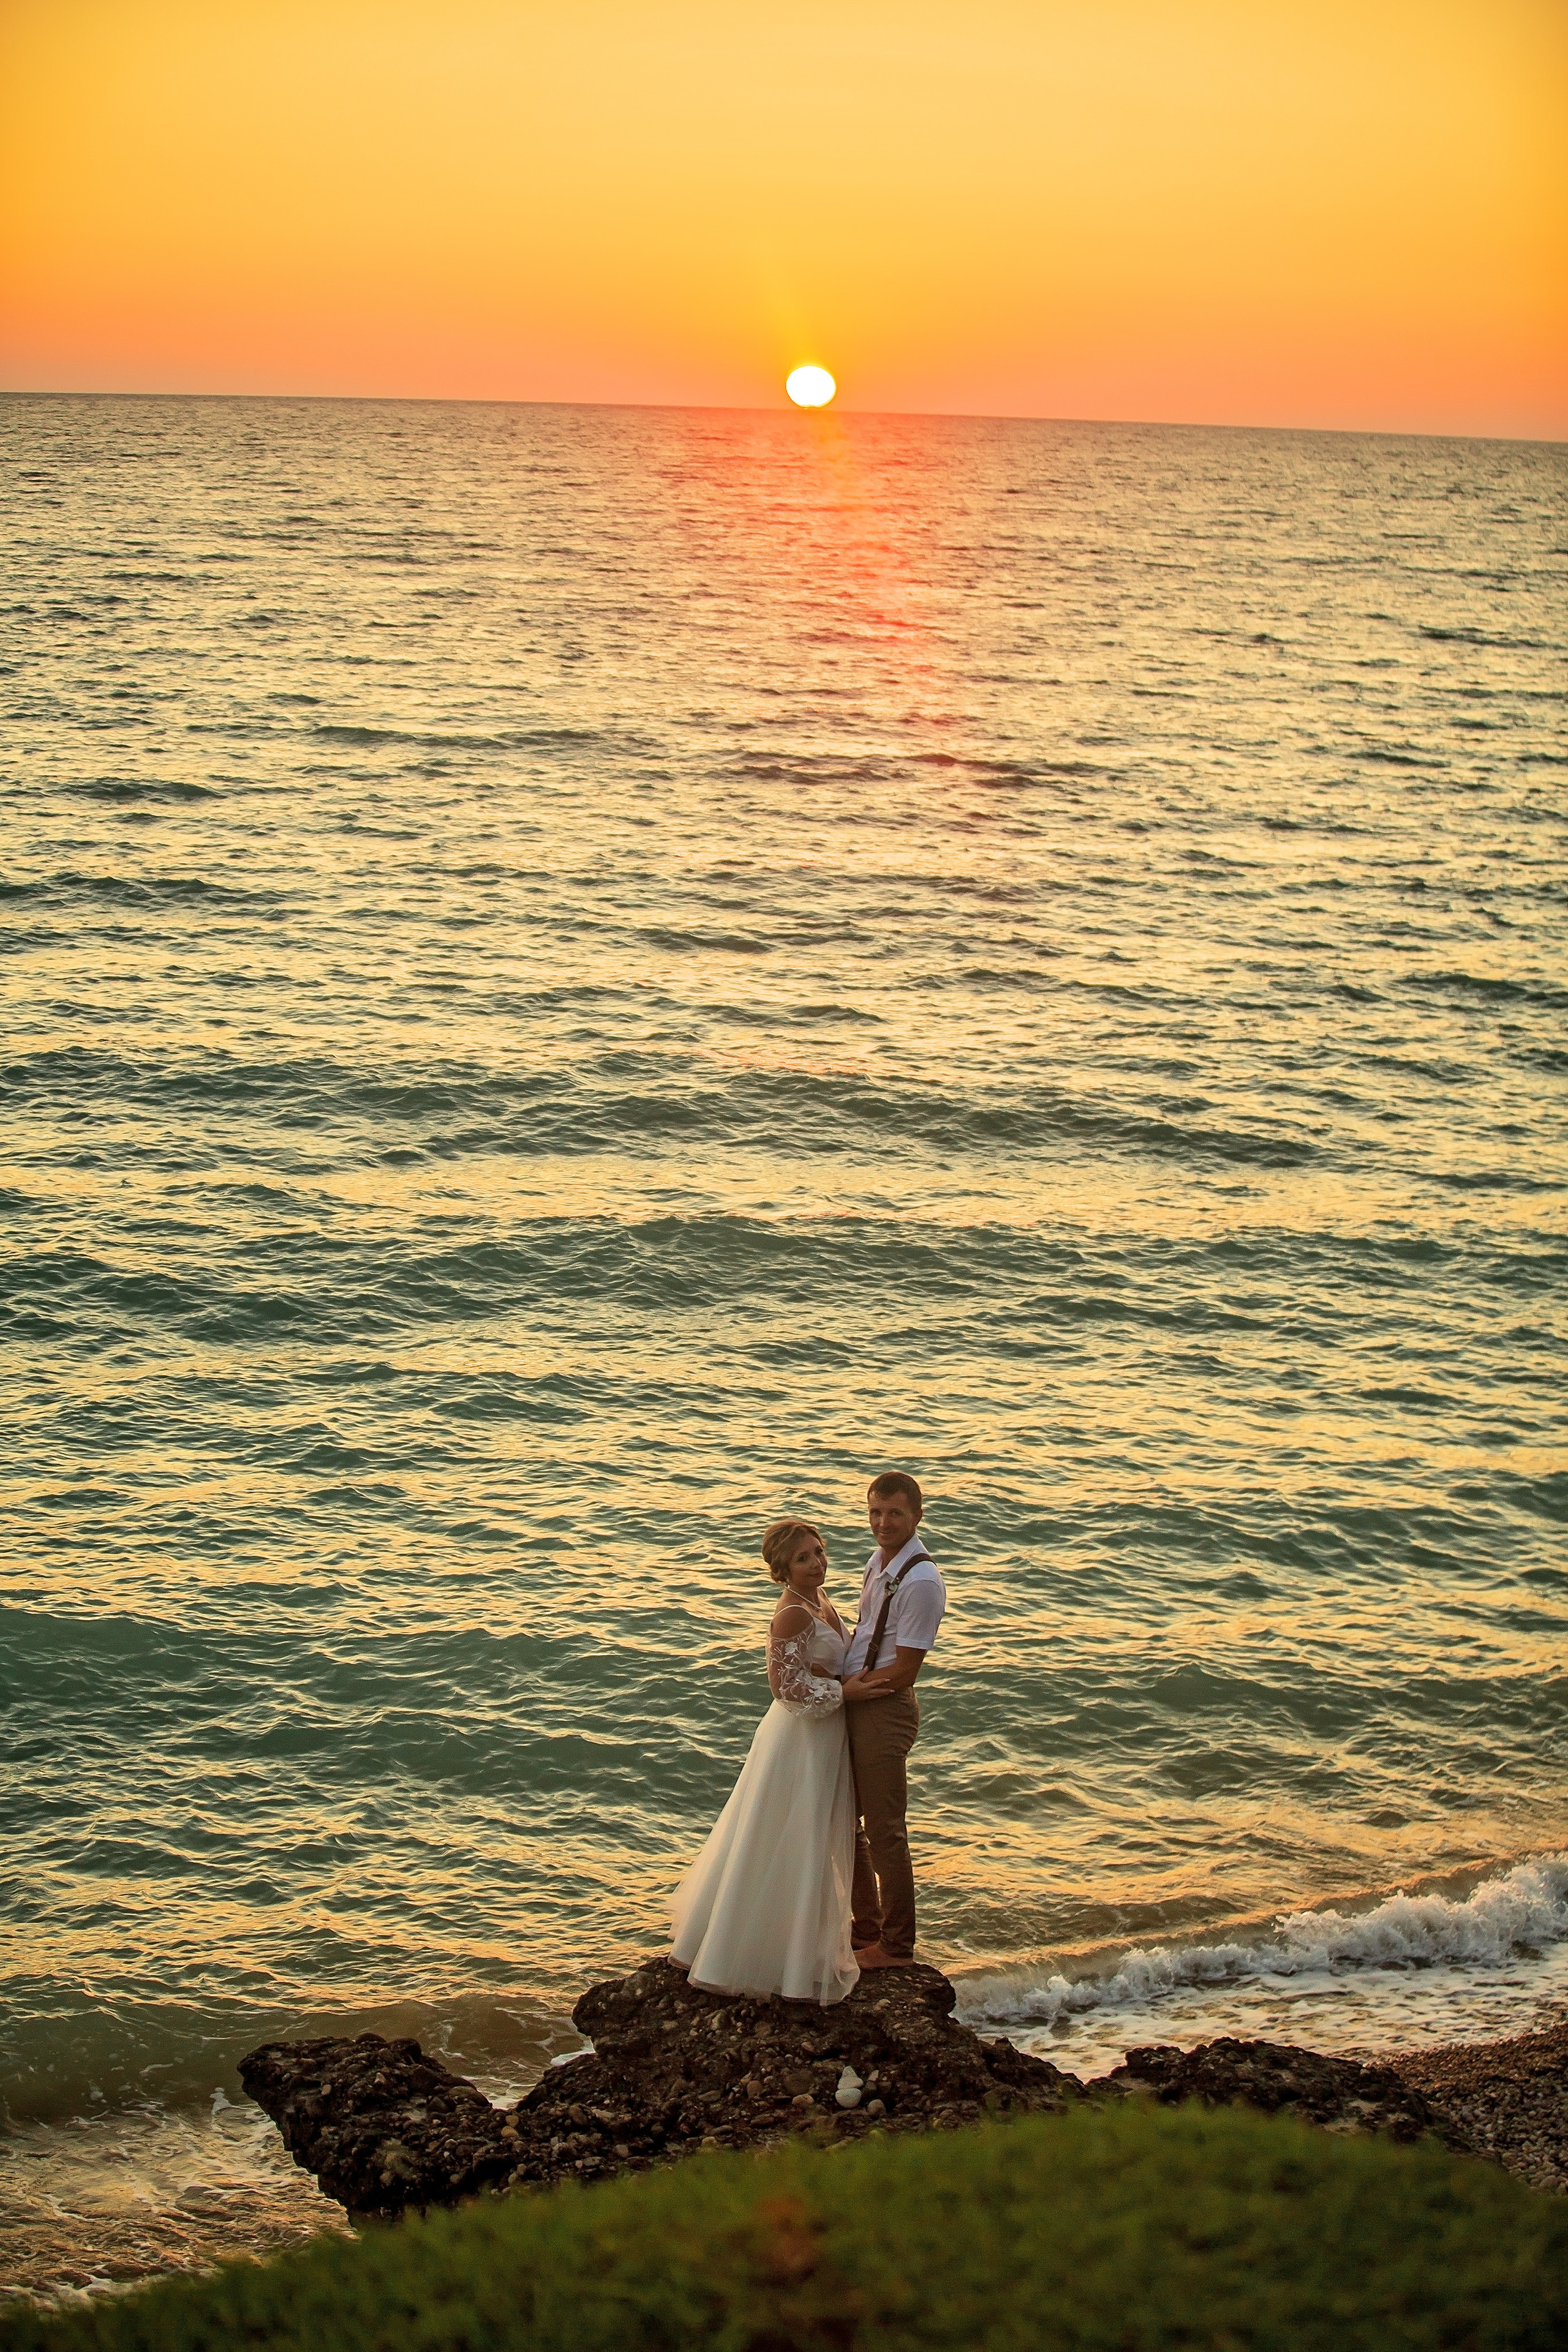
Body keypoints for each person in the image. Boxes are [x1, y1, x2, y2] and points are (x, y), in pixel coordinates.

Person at [670, 1518, 861, 2003]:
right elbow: (784, 1688)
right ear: (782, 1569)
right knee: (790, 1835)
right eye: (803, 1558)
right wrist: (844, 1690)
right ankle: (767, 1956)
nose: (817, 1562)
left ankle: (801, 1948)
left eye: (819, 1551)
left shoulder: (819, 1600)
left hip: (824, 1732)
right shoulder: (791, 1614)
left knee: (810, 1837)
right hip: (800, 1738)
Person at [839, 1471, 946, 1969]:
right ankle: (867, 1928)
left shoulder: (922, 1581)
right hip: (860, 1699)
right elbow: (867, 1635)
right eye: (876, 1512)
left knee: (885, 1830)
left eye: (895, 1513)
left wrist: (854, 1690)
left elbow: (905, 1669)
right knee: (848, 1821)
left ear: (917, 1516)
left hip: (884, 1707)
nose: (883, 1522)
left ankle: (897, 1946)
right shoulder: (878, 1563)